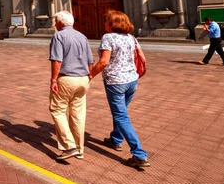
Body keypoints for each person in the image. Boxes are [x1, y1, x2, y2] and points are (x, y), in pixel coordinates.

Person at [90, 10, 150, 169]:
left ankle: (139, 154)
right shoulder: (132, 38)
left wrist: (89, 76)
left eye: (106, 21)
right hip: (132, 81)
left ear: (112, 24)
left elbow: (103, 62)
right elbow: (142, 59)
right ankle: (116, 140)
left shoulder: (108, 38)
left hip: (115, 82)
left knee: (121, 116)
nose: (104, 24)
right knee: (121, 113)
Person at [48, 11, 93, 160]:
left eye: (56, 21)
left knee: (57, 110)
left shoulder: (59, 36)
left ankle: (69, 146)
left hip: (67, 78)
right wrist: (88, 77)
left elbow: (57, 60)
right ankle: (80, 149)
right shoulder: (82, 36)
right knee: (78, 114)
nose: (55, 24)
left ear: (61, 23)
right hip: (83, 79)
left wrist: (54, 80)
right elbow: (90, 61)